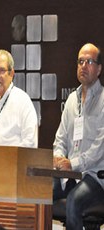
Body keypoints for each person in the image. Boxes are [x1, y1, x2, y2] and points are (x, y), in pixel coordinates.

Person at [53, 43, 104, 229]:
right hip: (69, 175)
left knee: (74, 201)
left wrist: (71, 164)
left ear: (99, 69)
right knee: (39, 194)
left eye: (89, 61)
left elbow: (99, 150)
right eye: (80, 61)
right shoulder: (71, 100)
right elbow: (60, 138)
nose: (83, 66)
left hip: (95, 177)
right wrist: (58, 157)